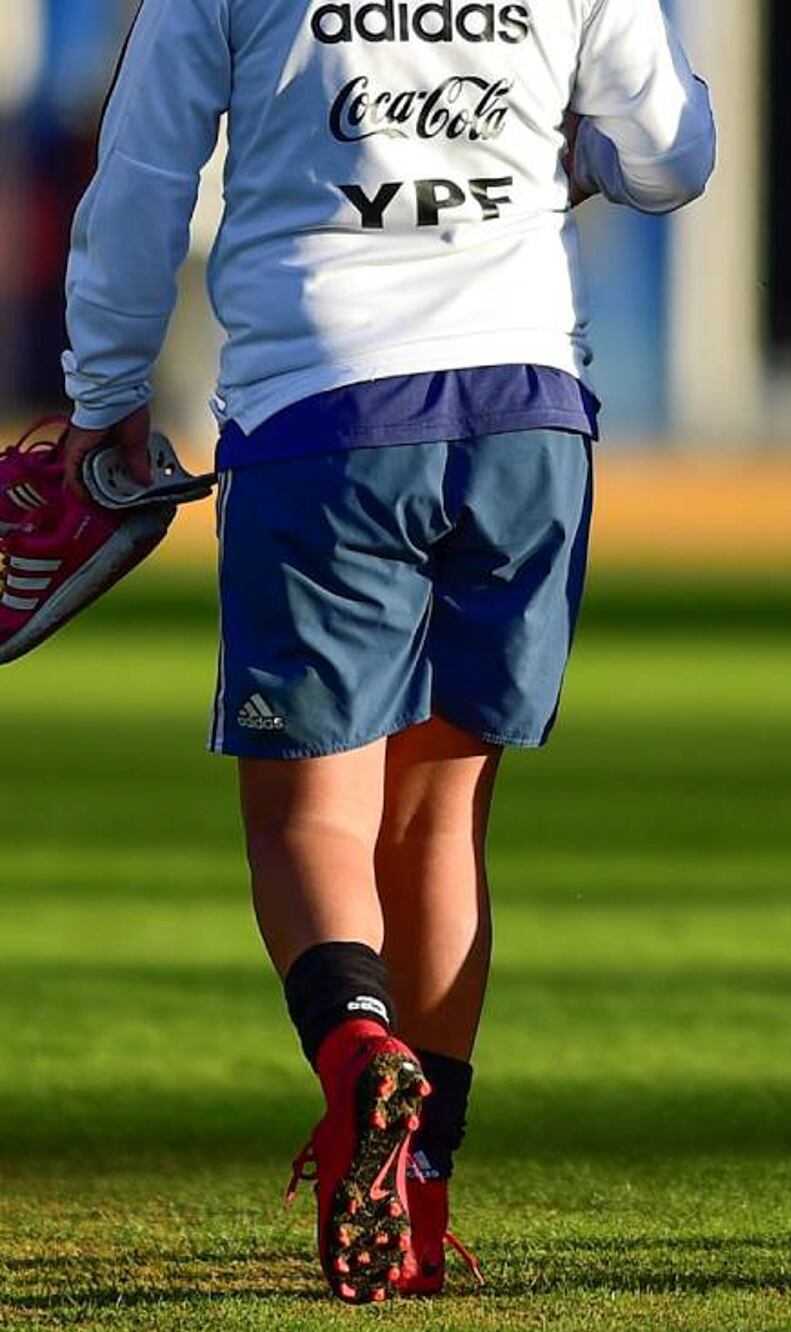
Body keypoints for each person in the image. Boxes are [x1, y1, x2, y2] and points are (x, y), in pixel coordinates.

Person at [57, 0, 714, 1302]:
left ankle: (359, 1049)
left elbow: (142, 173)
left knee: (309, 821)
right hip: (527, 410)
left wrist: (102, 392)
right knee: (440, 819)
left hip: (324, 406)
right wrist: (550, 156)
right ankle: (419, 1205)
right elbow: (672, 158)